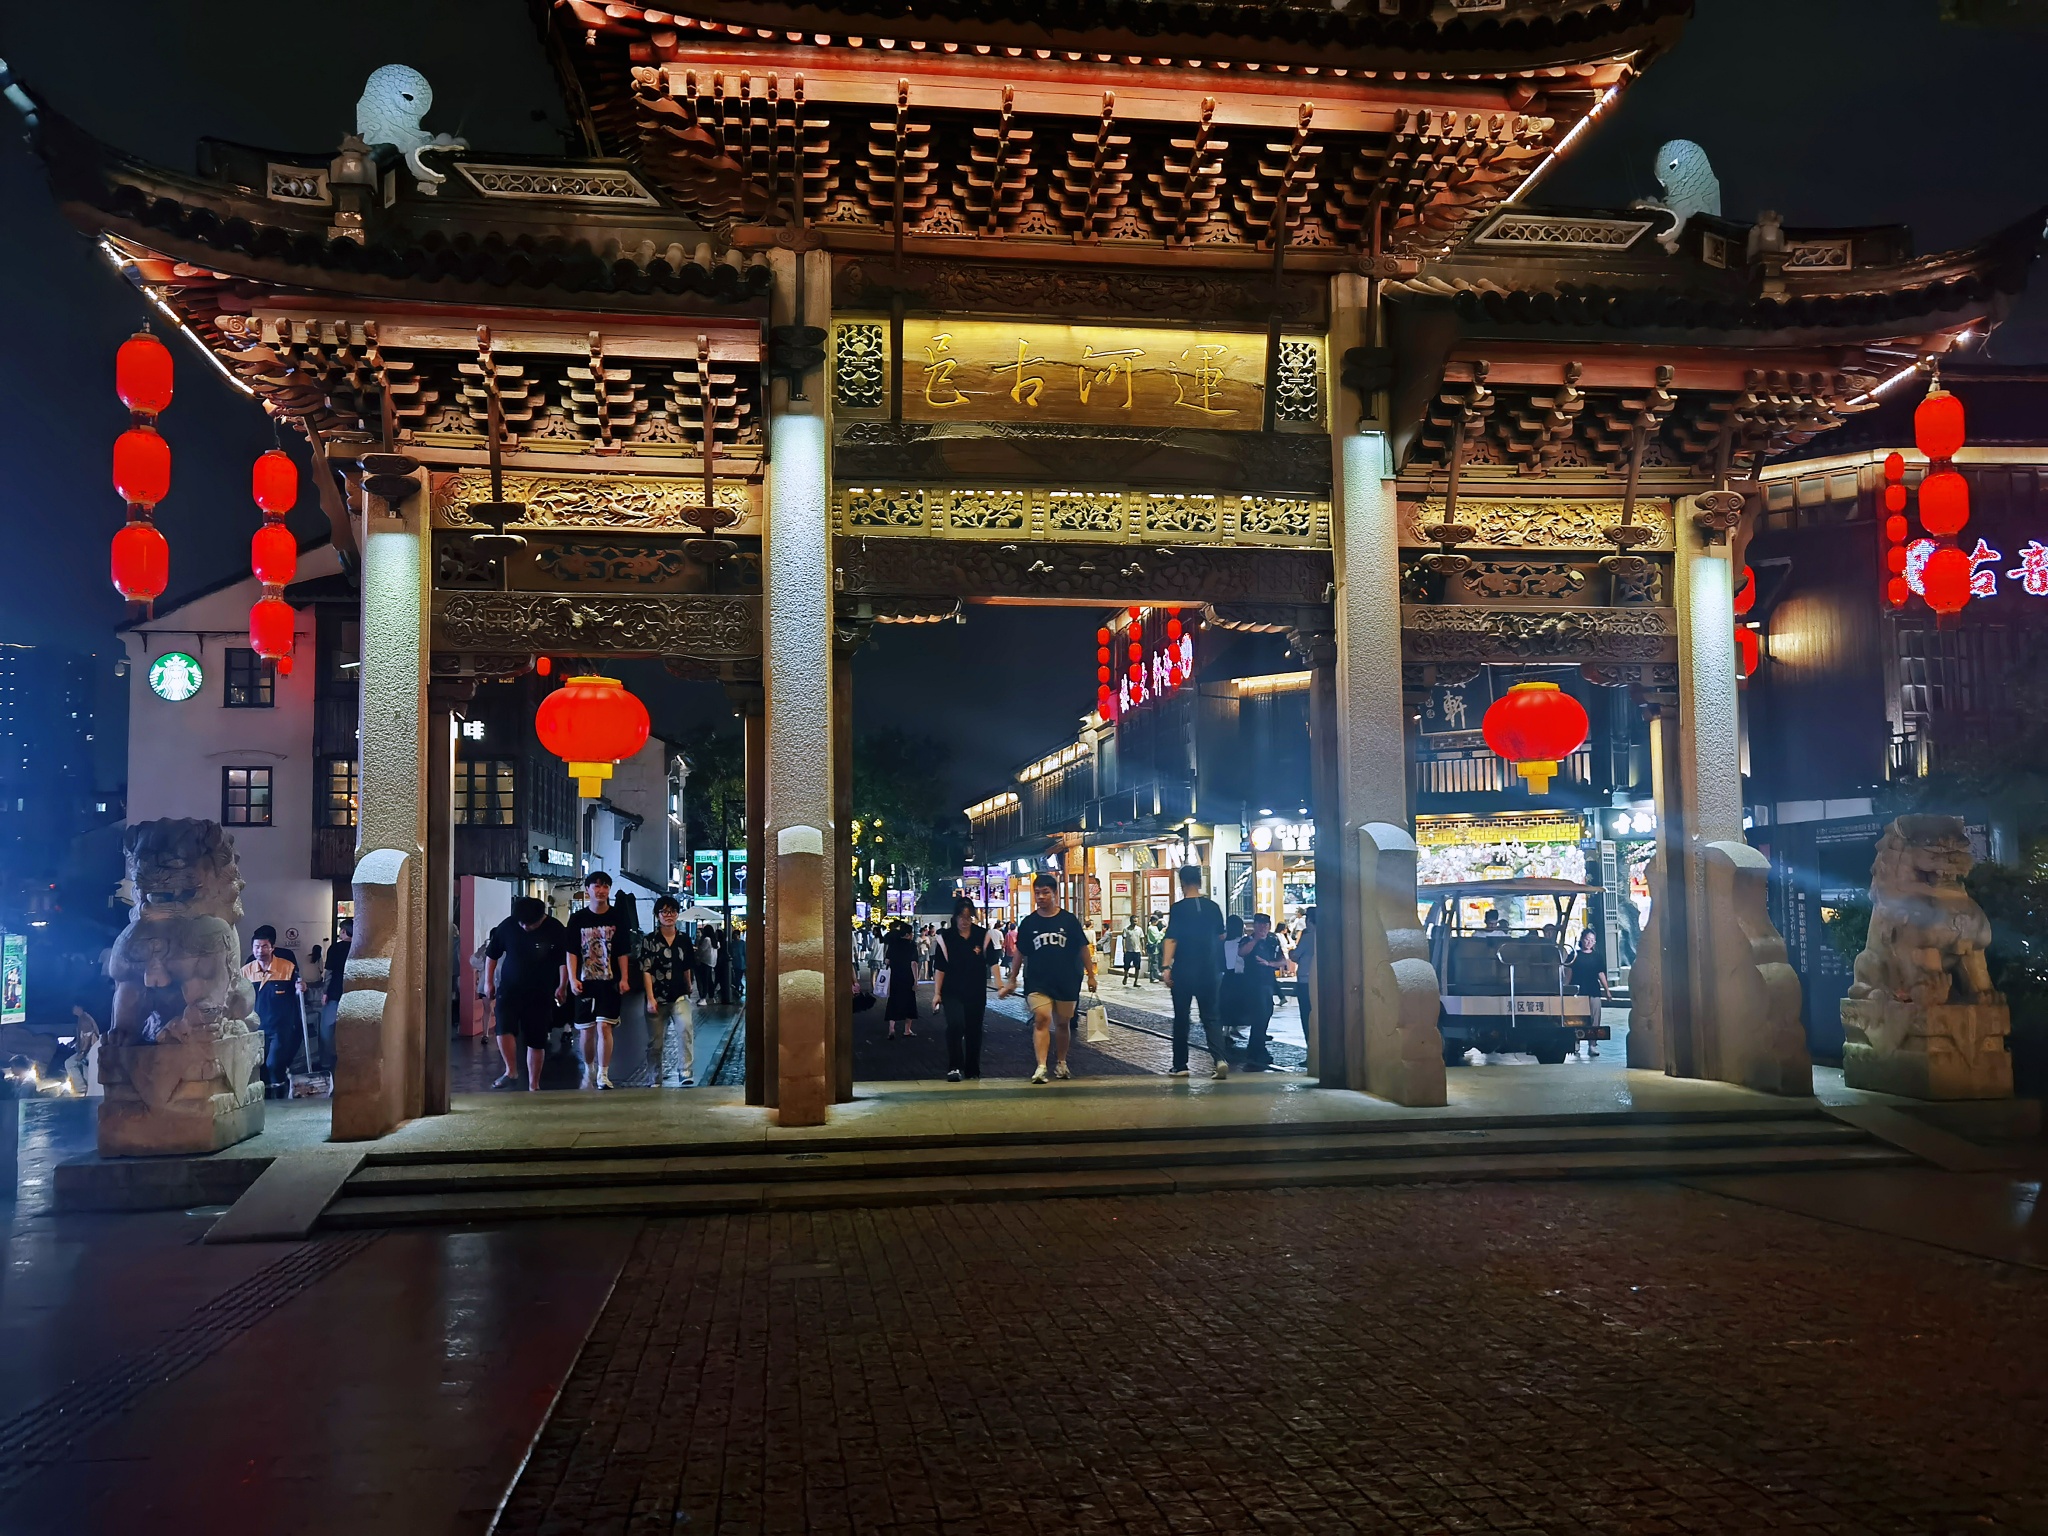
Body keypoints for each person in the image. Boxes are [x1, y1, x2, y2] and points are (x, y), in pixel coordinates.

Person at [997, 872, 1095, 1084]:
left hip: (1066, 980)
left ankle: (1061, 1062)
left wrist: (1091, 975)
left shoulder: (1069, 921)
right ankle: (1041, 1066)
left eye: (1045, 892)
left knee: (1063, 1023)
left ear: (1055, 893)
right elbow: (1020, 952)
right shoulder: (1029, 923)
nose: (1040, 897)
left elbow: (1082, 948)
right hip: (1037, 980)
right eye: (1037, 893)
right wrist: (1012, 979)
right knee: (1041, 1017)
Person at [485, 897, 569, 1092]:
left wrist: (563, 985)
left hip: (540, 992)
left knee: (536, 1039)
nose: (524, 927)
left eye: (530, 924)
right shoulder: (508, 925)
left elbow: (563, 961)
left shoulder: (555, 929)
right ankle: (511, 1071)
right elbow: (492, 954)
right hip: (509, 989)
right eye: (521, 923)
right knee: (503, 1028)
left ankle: (534, 1084)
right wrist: (488, 982)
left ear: (541, 917)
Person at [1161, 864, 1229, 1081]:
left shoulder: (1178, 909)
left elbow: (1172, 939)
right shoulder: (1213, 907)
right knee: (1211, 1017)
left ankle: (1180, 1065)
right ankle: (1219, 1059)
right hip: (1210, 970)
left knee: (1182, 1017)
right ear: (1200, 881)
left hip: (1184, 970)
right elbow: (1221, 935)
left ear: (1182, 882)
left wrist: (1166, 967)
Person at [565, 871, 631, 1090]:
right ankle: (589, 1067)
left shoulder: (618, 917)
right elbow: (571, 951)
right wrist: (572, 978)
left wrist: (624, 978)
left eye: (605, 886)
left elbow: (623, 951)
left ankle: (604, 1073)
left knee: (604, 1027)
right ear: (588, 890)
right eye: (596, 886)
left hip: (610, 981)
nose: (601, 891)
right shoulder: (577, 919)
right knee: (587, 1030)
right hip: (585, 981)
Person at [930, 896, 1000, 1082]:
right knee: (955, 1024)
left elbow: (993, 962)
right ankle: (954, 1066)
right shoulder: (946, 937)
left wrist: (1000, 985)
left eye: (968, 917)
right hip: (951, 991)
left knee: (974, 1029)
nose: (964, 921)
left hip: (976, 992)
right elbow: (940, 968)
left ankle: (972, 1069)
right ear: (955, 917)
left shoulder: (982, 935)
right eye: (961, 917)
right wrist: (937, 993)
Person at [241, 925, 305, 1098]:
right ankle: (267, 1098)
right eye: (256, 947)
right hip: (256, 1027)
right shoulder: (246, 971)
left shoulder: (287, 967)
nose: (260, 950)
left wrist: (300, 988)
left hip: (280, 1026)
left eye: (264, 946)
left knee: (274, 1063)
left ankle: (280, 1095)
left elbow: (298, 989)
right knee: (260, 1065)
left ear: (272, 948)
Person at [640, 895, 697, 1086]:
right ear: (657, 915)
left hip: (679, 994)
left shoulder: (684, 939)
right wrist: (650, 998)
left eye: (672, 911)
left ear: (677, 914)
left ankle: (685, 1071)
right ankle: (654, 1077)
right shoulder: (650, 940)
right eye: (664, 912)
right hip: (656, 996)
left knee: (685, 1030)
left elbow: (687, 966)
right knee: (655, 1042)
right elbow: (646, 969)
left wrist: (689, 985)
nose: (668, 915)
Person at [1240, 913, 1286, 1072]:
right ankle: (1257, 1050)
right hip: (1252, 984)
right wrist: (1255, 940)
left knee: (1266, 1014)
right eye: (1260, 925)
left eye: (1266, 925)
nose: (1263, 928)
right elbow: (1242, 952)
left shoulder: (1273, 941)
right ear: (1255, 925)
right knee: (1259, 1015)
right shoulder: (1248, 939)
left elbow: (1282, 961)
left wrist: (1269, 963)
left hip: (1268, 983)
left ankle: (1256, 1048)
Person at [1570, 929, 1612, 1056]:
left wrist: (1607, 990)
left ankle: (1592, 1044)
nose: (1589, 942)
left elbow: (1601, 974)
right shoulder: (1574, 955)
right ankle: (1575, 1042)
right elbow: (1568, 973)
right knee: (1576, 1018)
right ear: (1582, 939)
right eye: (1587, 939)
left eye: (1592, 940)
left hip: (1593, 990)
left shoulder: (1597, 957)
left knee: (1595, 1018)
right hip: (1578, 991)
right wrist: (1566, 989)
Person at [320, 917, 351, 1073]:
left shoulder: (335, 949)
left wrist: (325, 992)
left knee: (327, 1028)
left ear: (343, 931)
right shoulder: (360, 948)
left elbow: (329, 973)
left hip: (335, 994)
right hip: (353, 996)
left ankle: (328, 1062)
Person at [883, 921, 921, 1038]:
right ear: (908, 934)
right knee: (909, 1002)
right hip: (908, 977)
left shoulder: (893, 945)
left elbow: (887, 961)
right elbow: (913, 964)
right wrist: (916, 980)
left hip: (895, 976)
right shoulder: (911, 946)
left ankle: (891, 1029)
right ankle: (907, 1030)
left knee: (893, 1001)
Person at [1294, 907, 1318, 1056]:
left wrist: (1292, 953)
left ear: (1309, 920)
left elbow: (1295, 955)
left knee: (1306, 1015)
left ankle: (1311, 1049)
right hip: (1320, 981)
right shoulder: (1327, 936)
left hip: (1305, 980)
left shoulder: (1307, 937)